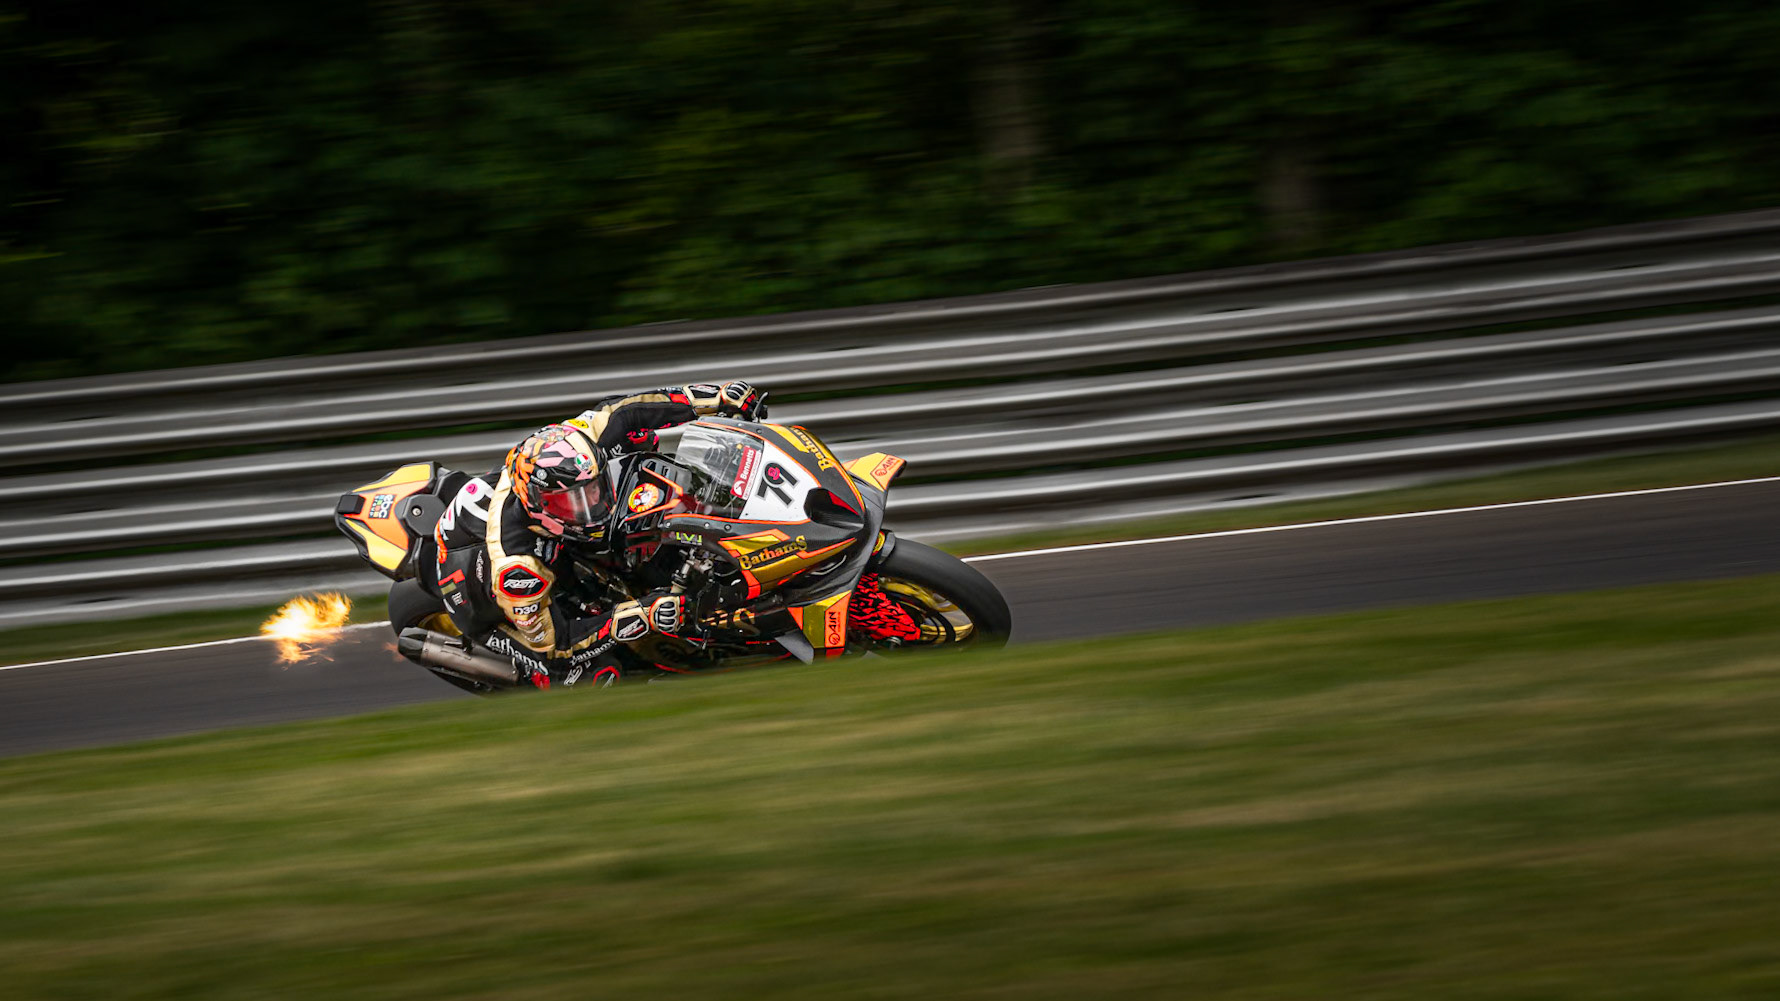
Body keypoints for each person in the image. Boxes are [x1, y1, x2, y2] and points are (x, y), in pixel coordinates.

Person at [429, 381, 768, 688]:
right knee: (608, 675)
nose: (592, 503)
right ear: (540, 505)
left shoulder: (575, 440)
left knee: (639, 447)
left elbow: (630, 409)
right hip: (485, 602)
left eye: (593, 489)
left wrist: (712, 398)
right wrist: (639, 615)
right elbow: (555, 645)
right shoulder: (518, 567)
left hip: (528, 533)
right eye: (572, 502)